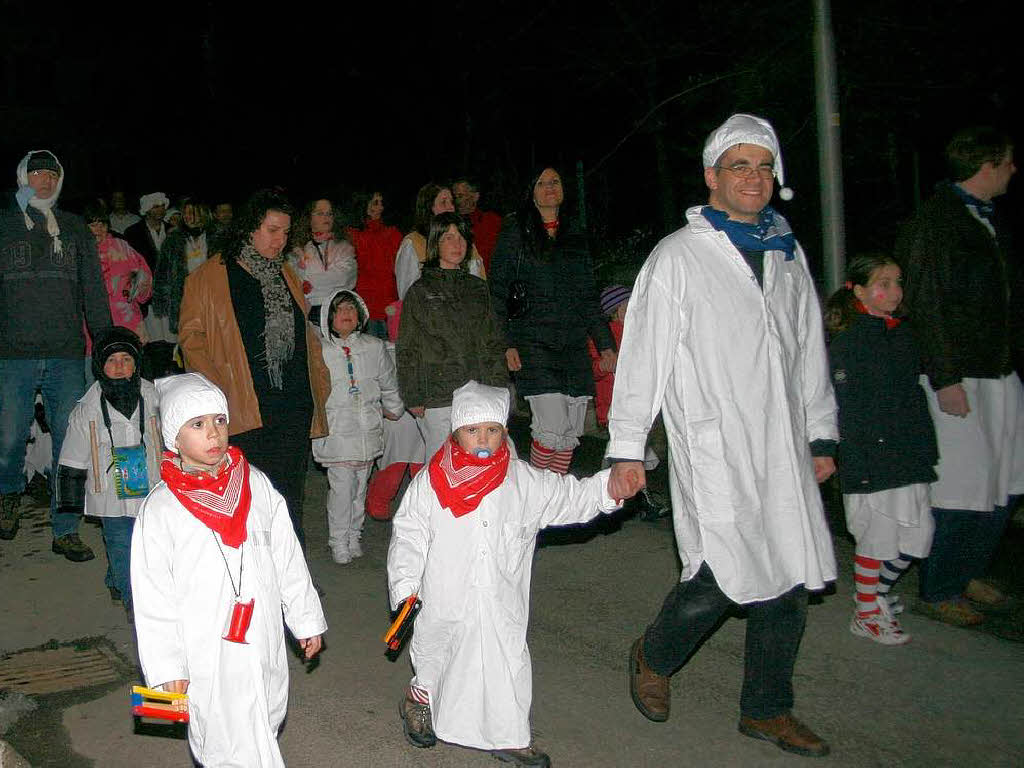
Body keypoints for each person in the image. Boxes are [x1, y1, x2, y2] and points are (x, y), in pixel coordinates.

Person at [607, 114, 837, 757]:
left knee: (788, 570)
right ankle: (654, 654)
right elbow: (643, 358)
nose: (753, 178)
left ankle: (766, 708)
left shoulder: (786, 253)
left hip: (782, 441)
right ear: (712, 176)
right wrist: (627, 448)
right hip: (715, 441)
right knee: (724, 572)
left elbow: (807, 348)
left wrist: (820, 433)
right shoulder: (679, 256)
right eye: (739, 166)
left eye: (764, 166)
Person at [388, 380, 619, 768]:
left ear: (504, 433)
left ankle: (510, 733)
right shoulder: (432, 481)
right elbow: (409, 534)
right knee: (436, 651)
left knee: (507, 660)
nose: (483, 438)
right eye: (473, 430)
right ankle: (419, 700)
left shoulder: (523, 480)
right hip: (444, 592)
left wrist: (609, 487)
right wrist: (406, 585)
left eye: (492, 430)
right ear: (456, 432)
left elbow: (569, 497)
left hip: (500, 596)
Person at [131, 372, 326, 768]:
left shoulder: (255, 484)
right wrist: (168, 667)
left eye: (219, 421)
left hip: (261, 630)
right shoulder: (161, 508)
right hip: (205, 645)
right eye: (197, 425)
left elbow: (286, 553)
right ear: (173, 437)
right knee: (220, 733)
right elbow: (153, 597)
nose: (214, 434)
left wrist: (305, 618)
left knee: (267, 710)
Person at [896, 125, 1023, 626]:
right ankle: (941, 584)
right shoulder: (935, 224)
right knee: (964, 487)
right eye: (1008, 160)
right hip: (957, 375)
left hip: (998, 370)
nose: (1014, 170)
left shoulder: (988, 222)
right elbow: (925, 305)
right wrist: (944, 376)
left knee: (1007, 481)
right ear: (986, 164)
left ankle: (968, 568)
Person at [177, 188, 331, 547]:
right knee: (250, 498)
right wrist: (219, 394)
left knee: (290, 497)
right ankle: (256, 582)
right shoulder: (208, 277)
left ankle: (293, 582)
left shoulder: (285, 273)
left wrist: (319, 382)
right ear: (250, 229)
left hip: (292, 404)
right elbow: (192, 341)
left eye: (286, 232)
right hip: (244, 407)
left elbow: (303, 335)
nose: (281, 240)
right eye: (272, 230)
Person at [0, 150, 111, 559]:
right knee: (8, 438)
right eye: (35, 174)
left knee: (70, 444)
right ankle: (8, 492)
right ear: (21, 177)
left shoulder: (75, 228)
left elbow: (93, 291)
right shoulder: (5, 223)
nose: (43, 182)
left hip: (66, 354)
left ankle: (65, 528)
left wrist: (106, 344)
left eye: (51, 175)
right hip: (13, 354)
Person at [825, 254, 939, 644]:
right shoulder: (850, 342)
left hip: (908, 454)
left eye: (897, 282)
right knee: (878, 538)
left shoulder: (902, 333)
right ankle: (866, 609)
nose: (894, 291)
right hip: (874, 458)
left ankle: (878, 594)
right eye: (883, 283)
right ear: (858, 291)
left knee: (917, 537)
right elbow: (848, 408)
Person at [489, 165, 615, 476]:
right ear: (530, 192)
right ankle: (534, 496)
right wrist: (505, 343)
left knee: (569, 434)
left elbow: (588, 295)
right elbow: (498, 292)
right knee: (551, 427)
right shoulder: (516, 231)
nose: (549, 188)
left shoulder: (575, 234)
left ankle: (552, 498)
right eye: (542, 182)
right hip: (533, 342)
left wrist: (605, 344)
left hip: (572, 345)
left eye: (555, 181)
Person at [56, 327, 160, 622]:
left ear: (137, 363)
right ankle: (132, 599)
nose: (119, 367)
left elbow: (172, 437)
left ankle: (117, 578)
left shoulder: (154, 396)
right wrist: (70, 502)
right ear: (99, 365)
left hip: (150, 484)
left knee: (146, 544)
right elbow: (73, 455)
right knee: (119, 542)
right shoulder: (86, 409)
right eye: (111, 360)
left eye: (126, 359)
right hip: (109, 493)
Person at [396, 212, 509, 461]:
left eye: (461, 238)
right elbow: (407, 347)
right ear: (435, 244)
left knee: (483, 462)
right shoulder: (420, 291)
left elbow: (492, 340)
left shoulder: (478, 288)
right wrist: (412, 395)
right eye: (448, 238)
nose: (457, 244)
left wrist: (500, 387)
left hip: (479, 390)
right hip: (438, 394)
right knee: (441, 464)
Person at [313, 289, 403, 564]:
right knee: (342, 489)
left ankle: (354, 534)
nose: (346, 315)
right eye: (340, 310)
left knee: (360, 488)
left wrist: (394, 408)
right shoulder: (321, 351)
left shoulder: (374, 347)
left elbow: (388, 381)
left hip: (367, 431)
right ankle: (338, 540)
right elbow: (314, 391)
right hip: (338, 432)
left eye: (352, 309)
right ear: (329, 317)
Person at [395, 183, 484, 299]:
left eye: (452, 202)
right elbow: (407, 294)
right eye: (443, 202)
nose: (450, 207)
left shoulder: (465, 241)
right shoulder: (413, 243)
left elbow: (477, 283)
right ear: (429, 208)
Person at [84, 203, 153, 343]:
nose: (98, 229)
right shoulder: (79, 252)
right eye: (93, 224)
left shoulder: (122, 246)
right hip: (92, 322)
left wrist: (135, 290)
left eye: (102, 224)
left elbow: (144, 277)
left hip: (126, 319)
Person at [151, 198, 212, 342]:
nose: (188, 216)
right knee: (189, 346)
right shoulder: (173, 240)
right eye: (185, 213)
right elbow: (161, 273)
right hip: (185, 302)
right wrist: (161, 303)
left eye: (192, 212)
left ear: (203, 213)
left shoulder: (218, 237)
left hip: (212, 301)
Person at [289, 197, 358, 320]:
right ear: (309, 218)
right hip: (308, 313)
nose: (326, 217)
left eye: (329, 214)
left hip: (337, 313)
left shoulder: (344, 247)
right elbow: (293, 281)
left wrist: (307, 285)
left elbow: (344, 278)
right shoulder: (298, 249)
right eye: (320, 213)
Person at [348, 189, 403, 339]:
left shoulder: (393, 233)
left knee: (391, 351)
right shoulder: (352, 234)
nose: (380, 208)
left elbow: (400, 268)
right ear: (364, 205)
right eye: (375, 203)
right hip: (365, 303)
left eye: (381, 203)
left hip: (390, 302)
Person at [453, 175, 502, 271]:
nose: (457, 201)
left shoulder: (491, 221)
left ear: (475, 196)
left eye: (460, 196)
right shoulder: (450, 222)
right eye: (454, 197)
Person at [123, 191, 169, 272]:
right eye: (156, 206)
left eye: (163, 206)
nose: (161, 209)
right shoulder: (133, 232)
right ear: (147, 210)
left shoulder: (172, 229)